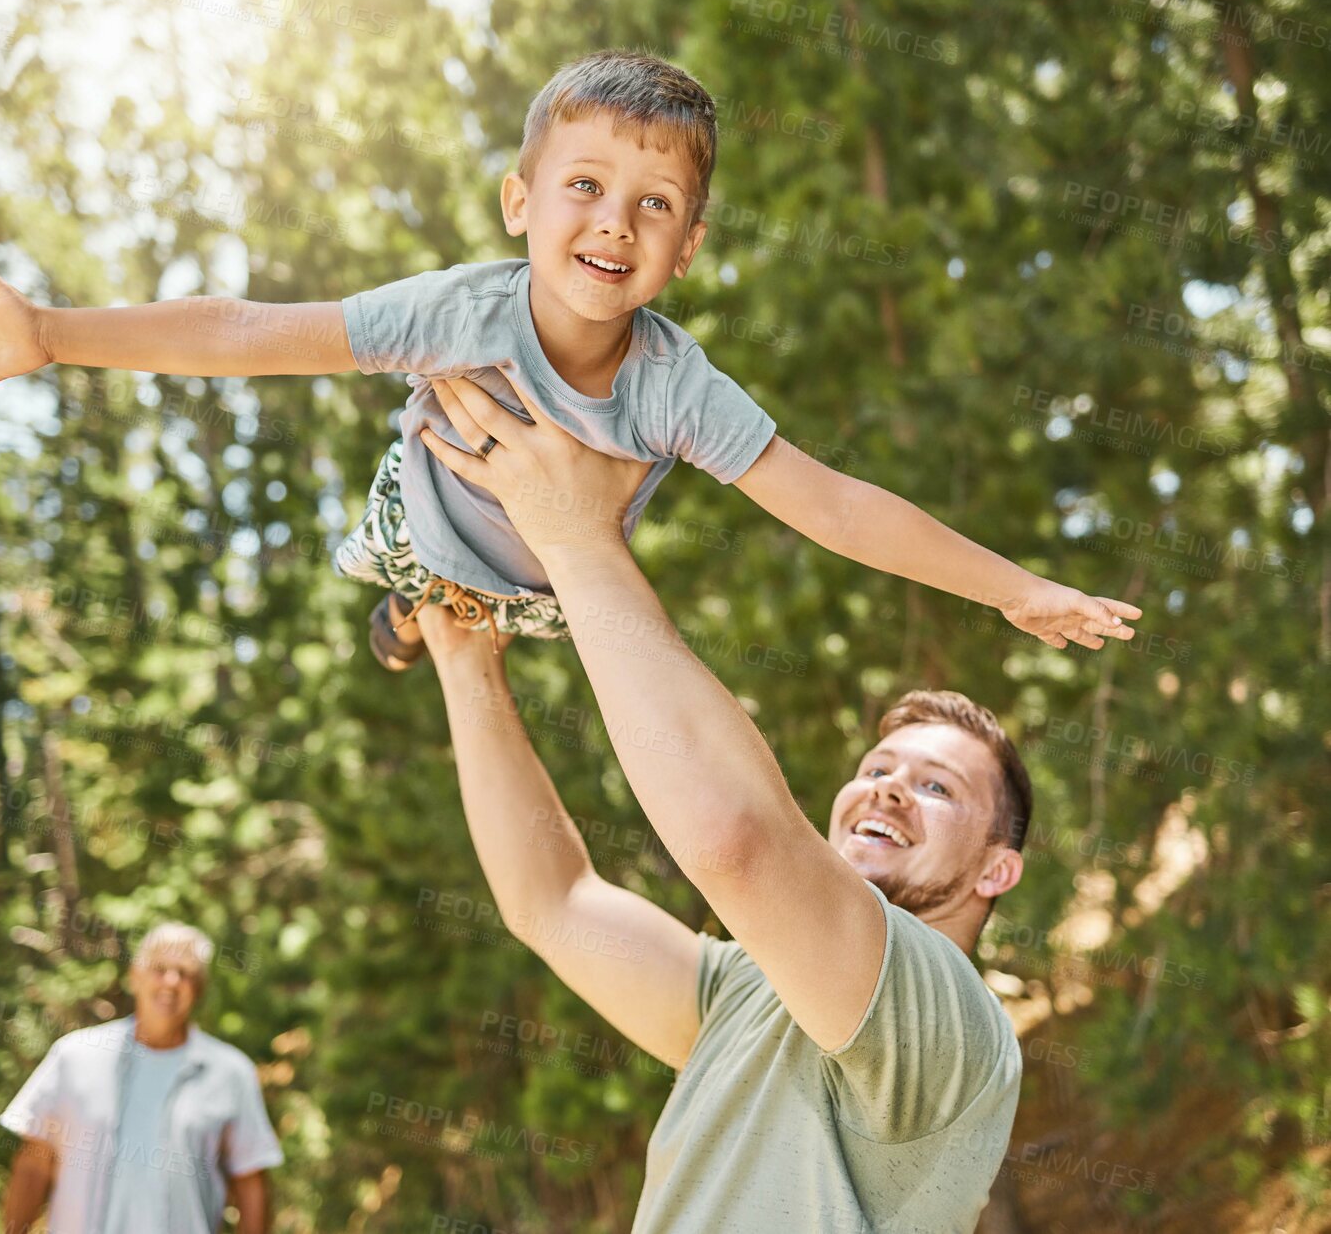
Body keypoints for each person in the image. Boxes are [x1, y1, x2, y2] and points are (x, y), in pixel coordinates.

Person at [0, 50, 1138, 673]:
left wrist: (1010, 587)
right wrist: (56, 334)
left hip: (549, 589)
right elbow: (246, 327)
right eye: (586, 188)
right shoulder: (461, 310)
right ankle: (407, 609)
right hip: (422, 512)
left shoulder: (674, 384)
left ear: (689, 248)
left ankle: (440, 619)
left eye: (655, 205)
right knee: (416, 615)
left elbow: (826, 500)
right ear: (519, 202)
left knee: (485, 626)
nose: (615, 222)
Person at [412, 373, 1054, 1232]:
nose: (888, 786)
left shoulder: (950, 1018)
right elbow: (552, 900)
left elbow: (737, 841)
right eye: (877, 765)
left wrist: (575, 536)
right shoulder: (746, 989)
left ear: (996, 868)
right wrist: (469, 668)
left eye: (938, 787)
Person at [0, 922, 282, 1234]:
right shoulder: (75, 1055)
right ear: (134, 976)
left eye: (185, 973)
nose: (171, 981)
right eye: (159, 968)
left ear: (199, 988)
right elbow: (35, 1162)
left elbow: (251, 1183)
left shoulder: (230, 1073)